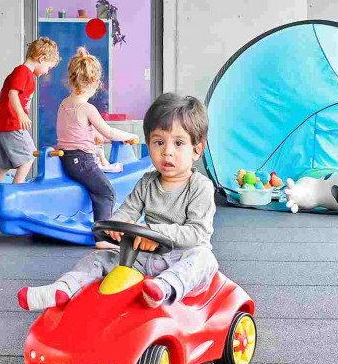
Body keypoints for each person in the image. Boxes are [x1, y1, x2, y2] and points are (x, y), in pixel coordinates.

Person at [18, 93, 218, 311]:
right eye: (159, 142)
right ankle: (63, 288)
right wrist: (116, 228)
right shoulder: (146, 182)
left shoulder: (200, 187)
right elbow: (126, 212)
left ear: (197, 149)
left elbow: (197, 232)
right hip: (145, 257)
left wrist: (153, 232)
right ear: (149, 145)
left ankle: (164, 288)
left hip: (183, 258)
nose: (167, 152)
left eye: (178, 143)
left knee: (204, 259)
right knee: (100, 257)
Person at [55, 48, 137, 233]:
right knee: (106, 192)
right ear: (94, 81)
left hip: (66, 159)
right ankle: (103, 236)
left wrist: (91, 136)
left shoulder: (64, 104)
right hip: (82, 161)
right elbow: (109, 132)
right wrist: (130, 136)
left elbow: (70, 131)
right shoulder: (87, 108)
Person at [0, 37, 60, 185]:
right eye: (49, 67)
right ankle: (17, 190)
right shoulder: (23, 72)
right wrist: (20, 114)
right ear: (42, 59)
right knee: (29, 156)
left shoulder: (25, 74)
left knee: (3, 167)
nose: (47, 72)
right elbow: (12, 93)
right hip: (11, 124)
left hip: (4, 124)